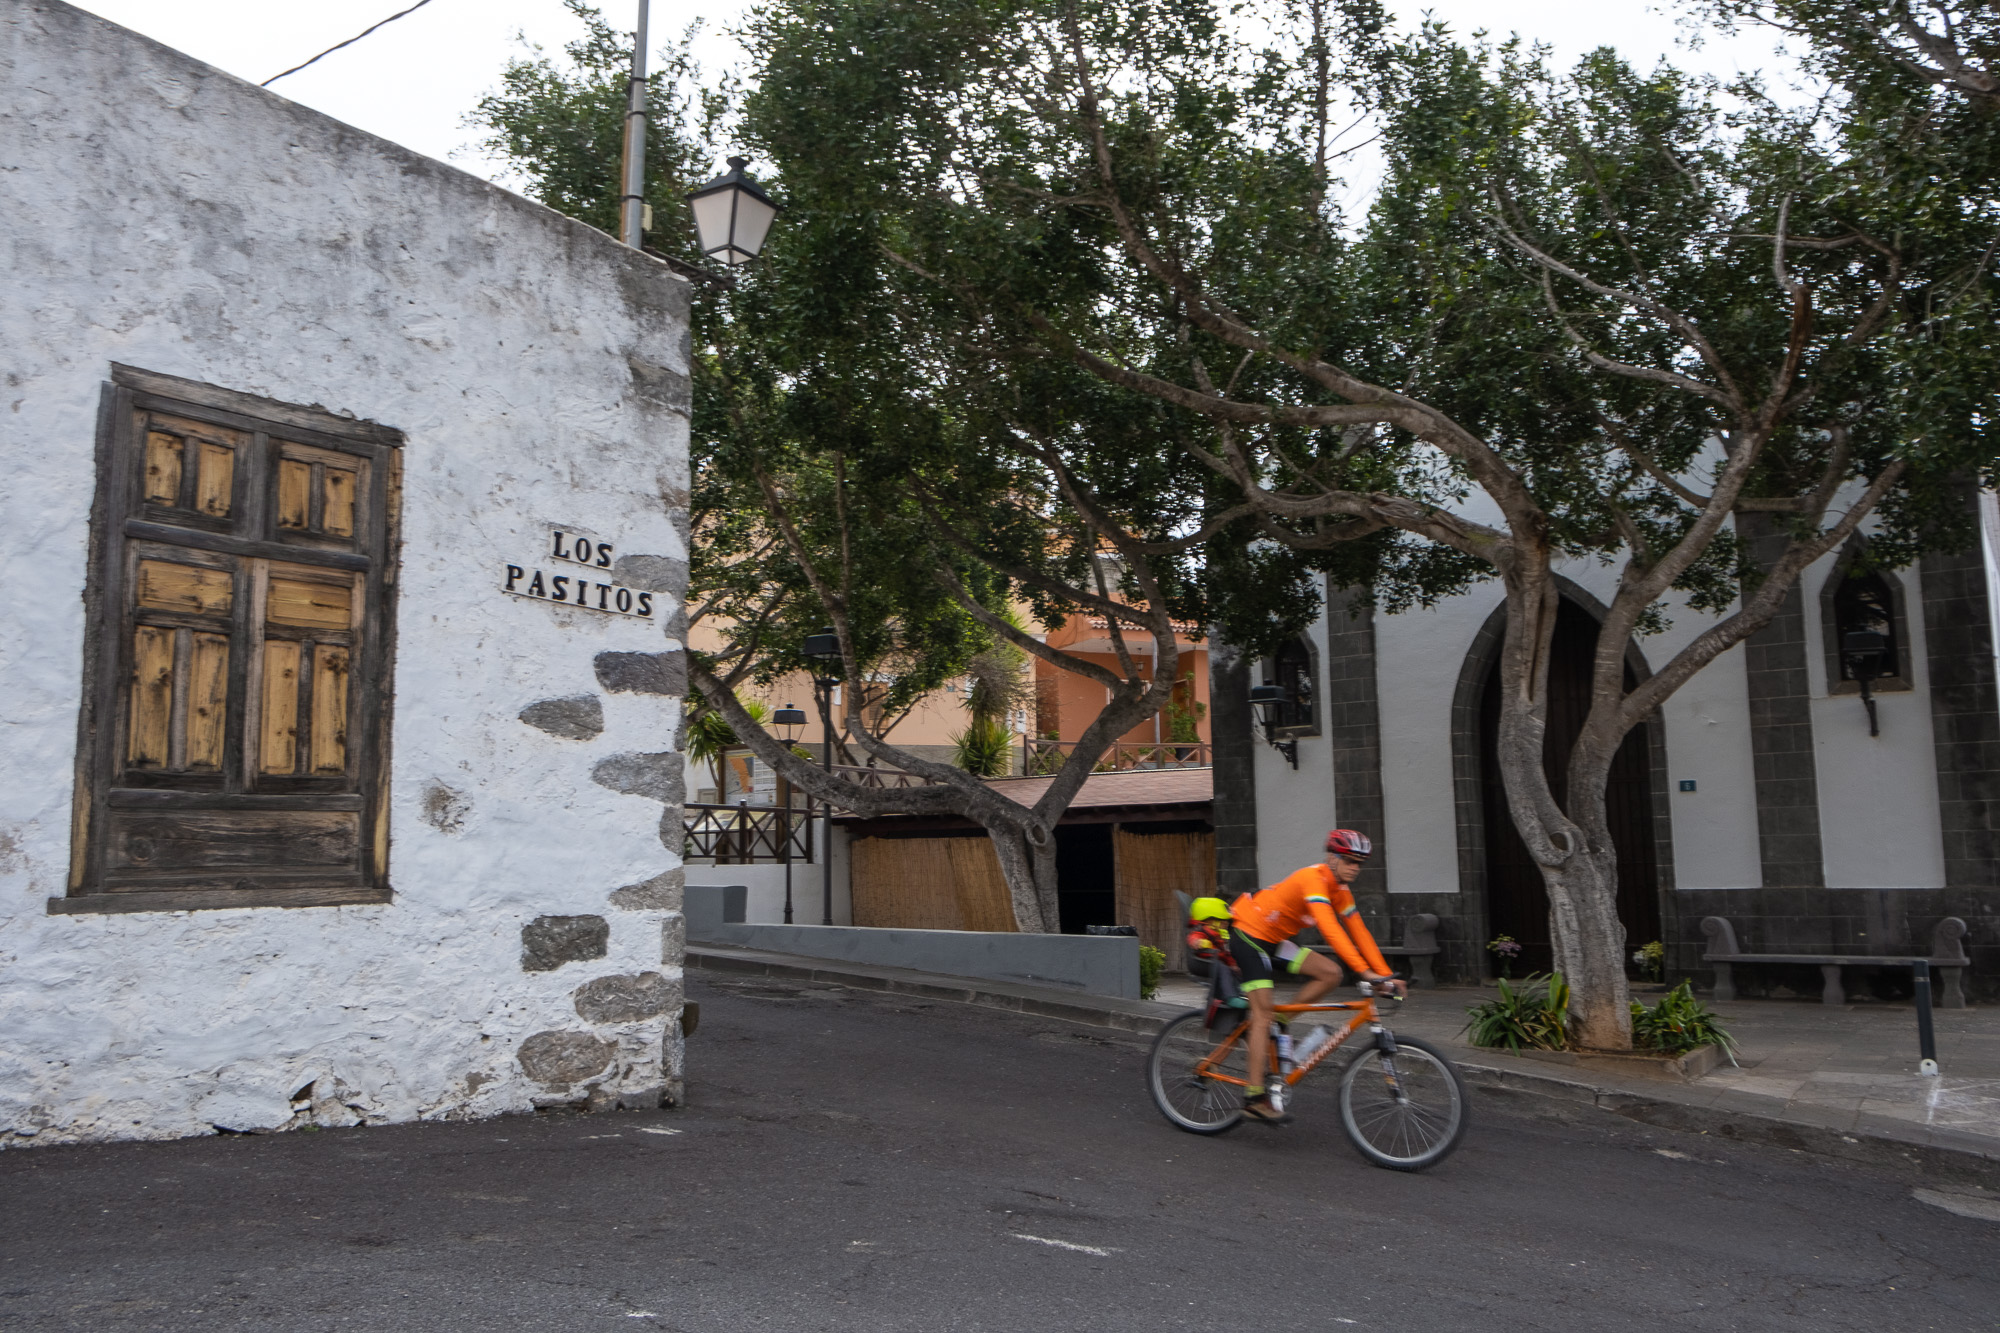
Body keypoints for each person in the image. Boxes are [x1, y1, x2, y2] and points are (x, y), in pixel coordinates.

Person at [1229, 829, 1404, 1124]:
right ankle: (1253, 1097)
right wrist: (1364, 972)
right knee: (1261, 1014)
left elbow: (1358, 931)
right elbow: (1331, 930)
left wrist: (1386, 975)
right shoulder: (1313, 880)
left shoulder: (1340, 891)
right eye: (1349, 860)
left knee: (1330, 973)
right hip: (1248, 934)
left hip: (1274, 941)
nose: (1355, 868)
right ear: (1331, 857)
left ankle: (1279, 1024)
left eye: (1359, 863)